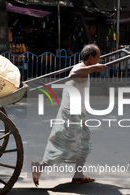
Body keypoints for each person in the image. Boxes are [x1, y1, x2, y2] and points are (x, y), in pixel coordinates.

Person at [32, 44, 107, 186]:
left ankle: (78, 176)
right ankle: (39, 167)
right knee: (65, 147)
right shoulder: (80, 69)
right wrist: (95, 68)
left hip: (78, 113)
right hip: (71, 115)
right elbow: (74, 74)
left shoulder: (82, 66)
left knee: (84, 145)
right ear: (90, 58)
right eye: (98, 57)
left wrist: (94, 67)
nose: (100, 60)